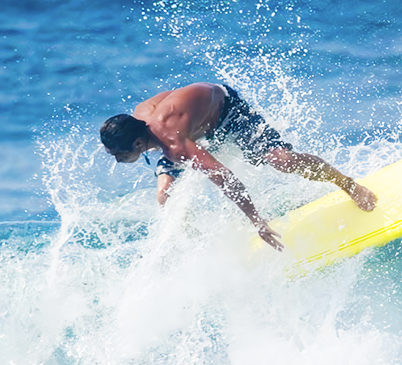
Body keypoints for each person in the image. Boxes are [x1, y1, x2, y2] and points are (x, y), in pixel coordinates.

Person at [100, 82, 377, 250]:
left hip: (227, 113)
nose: (115, 160)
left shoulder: (174, 145)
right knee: (164, 195)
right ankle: (192, 248)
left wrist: (258, 221)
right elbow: (175, 97)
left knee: (281, 160)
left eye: (118, 154)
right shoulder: (138, 117)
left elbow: (225, 177)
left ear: (137, 143)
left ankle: (349, 185)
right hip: (192, 130)